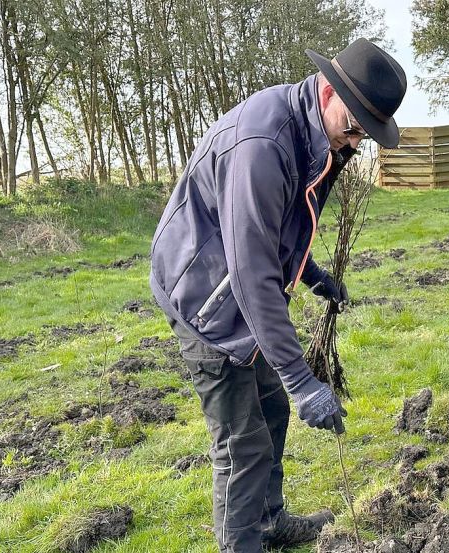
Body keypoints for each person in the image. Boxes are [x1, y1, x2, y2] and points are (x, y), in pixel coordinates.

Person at [149, 39, 406, 553]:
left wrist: (312, 275)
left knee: (272, 411)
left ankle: (270, 521)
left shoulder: (318, 137)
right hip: (206, 297)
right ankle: (240, 544)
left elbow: (279, 227)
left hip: (244, 281)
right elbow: (250, 270)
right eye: (354, 127)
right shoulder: (262, 144)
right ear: (328, 91)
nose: (356, 143)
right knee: (242, 443)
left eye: (365, 135)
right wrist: (302, 380)